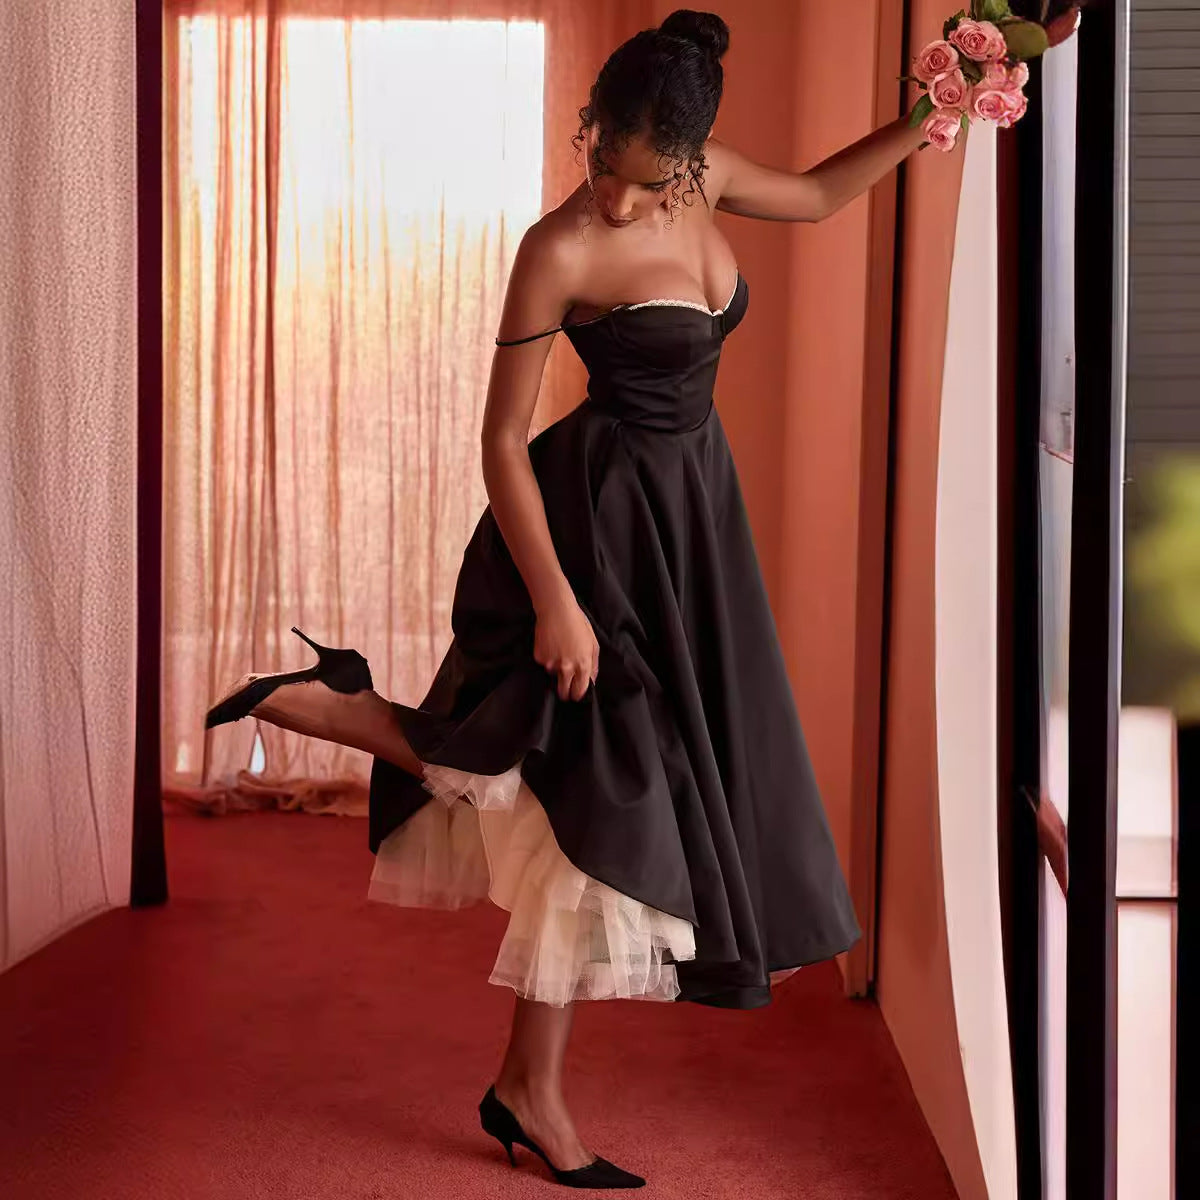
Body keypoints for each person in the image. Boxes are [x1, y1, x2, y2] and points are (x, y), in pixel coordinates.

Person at [205, 9, 937, 1189]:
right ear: (590, 128)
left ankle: (343, 715)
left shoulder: (710, 177)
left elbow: (813, 195)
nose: (618, 199)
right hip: (594, 532)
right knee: (598, 794)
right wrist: (556, 602)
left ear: (688, 164)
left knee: (582, 796)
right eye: (603, 164)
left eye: (646, 183)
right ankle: (527, 1083)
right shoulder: (557, 248)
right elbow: (501, 439)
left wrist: (942, 108)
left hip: (689, 523)